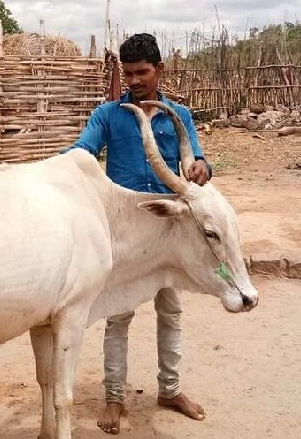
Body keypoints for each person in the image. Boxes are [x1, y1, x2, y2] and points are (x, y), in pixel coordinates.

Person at [69, 32, 212, 435]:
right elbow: (82, 153)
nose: (134, 80)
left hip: (168, 231)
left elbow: (197, 159)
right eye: (128, 73)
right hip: (125, 231)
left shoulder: (179, 116)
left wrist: (202, 167)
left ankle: (170, 389)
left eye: (142, 72)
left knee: (171, 311)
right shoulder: (107, 115)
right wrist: (54, 169)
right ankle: (114, 397)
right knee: (118, 315)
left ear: (159, 70)